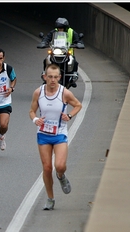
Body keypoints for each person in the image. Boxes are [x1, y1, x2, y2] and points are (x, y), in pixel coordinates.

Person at [29, 64, 82, 210]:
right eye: (50, 76)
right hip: (43, 135)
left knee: (60, 165)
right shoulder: (38, 92)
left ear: (59, 77)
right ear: (44, 77)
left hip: (59, 134)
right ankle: (50, 198)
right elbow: (32, 111)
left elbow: (78, 105)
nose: (52, 80)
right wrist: (35, 120)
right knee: (46, 168)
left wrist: (69, 115)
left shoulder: (64, 93)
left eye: (55, 77)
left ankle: (61, 176)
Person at [37, 17, 84, 87]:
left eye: (61, 28)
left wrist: (79, 43)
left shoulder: (71, 32)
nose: (59, 30)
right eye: (58, 28)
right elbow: (47, 38)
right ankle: (46, 77)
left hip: (67, 53)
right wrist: (44, 42)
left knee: (74, 62)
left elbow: (78, 40)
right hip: (55, 52)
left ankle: (72, 79)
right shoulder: (54, 32)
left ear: (65, 28)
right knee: (46, 60)